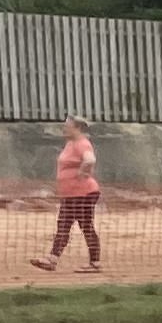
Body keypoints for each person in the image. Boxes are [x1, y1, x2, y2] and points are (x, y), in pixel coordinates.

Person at [37, 117, 102, 273]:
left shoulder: (82, 143)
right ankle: (52, 259)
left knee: (82, 226)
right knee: (65, 225)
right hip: (72, 194)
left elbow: (90, 159)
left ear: (77, 128)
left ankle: (94, 263)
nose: (64, 129)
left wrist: (82, 171)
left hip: (83, 193)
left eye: (67, 126)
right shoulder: (70, 144)